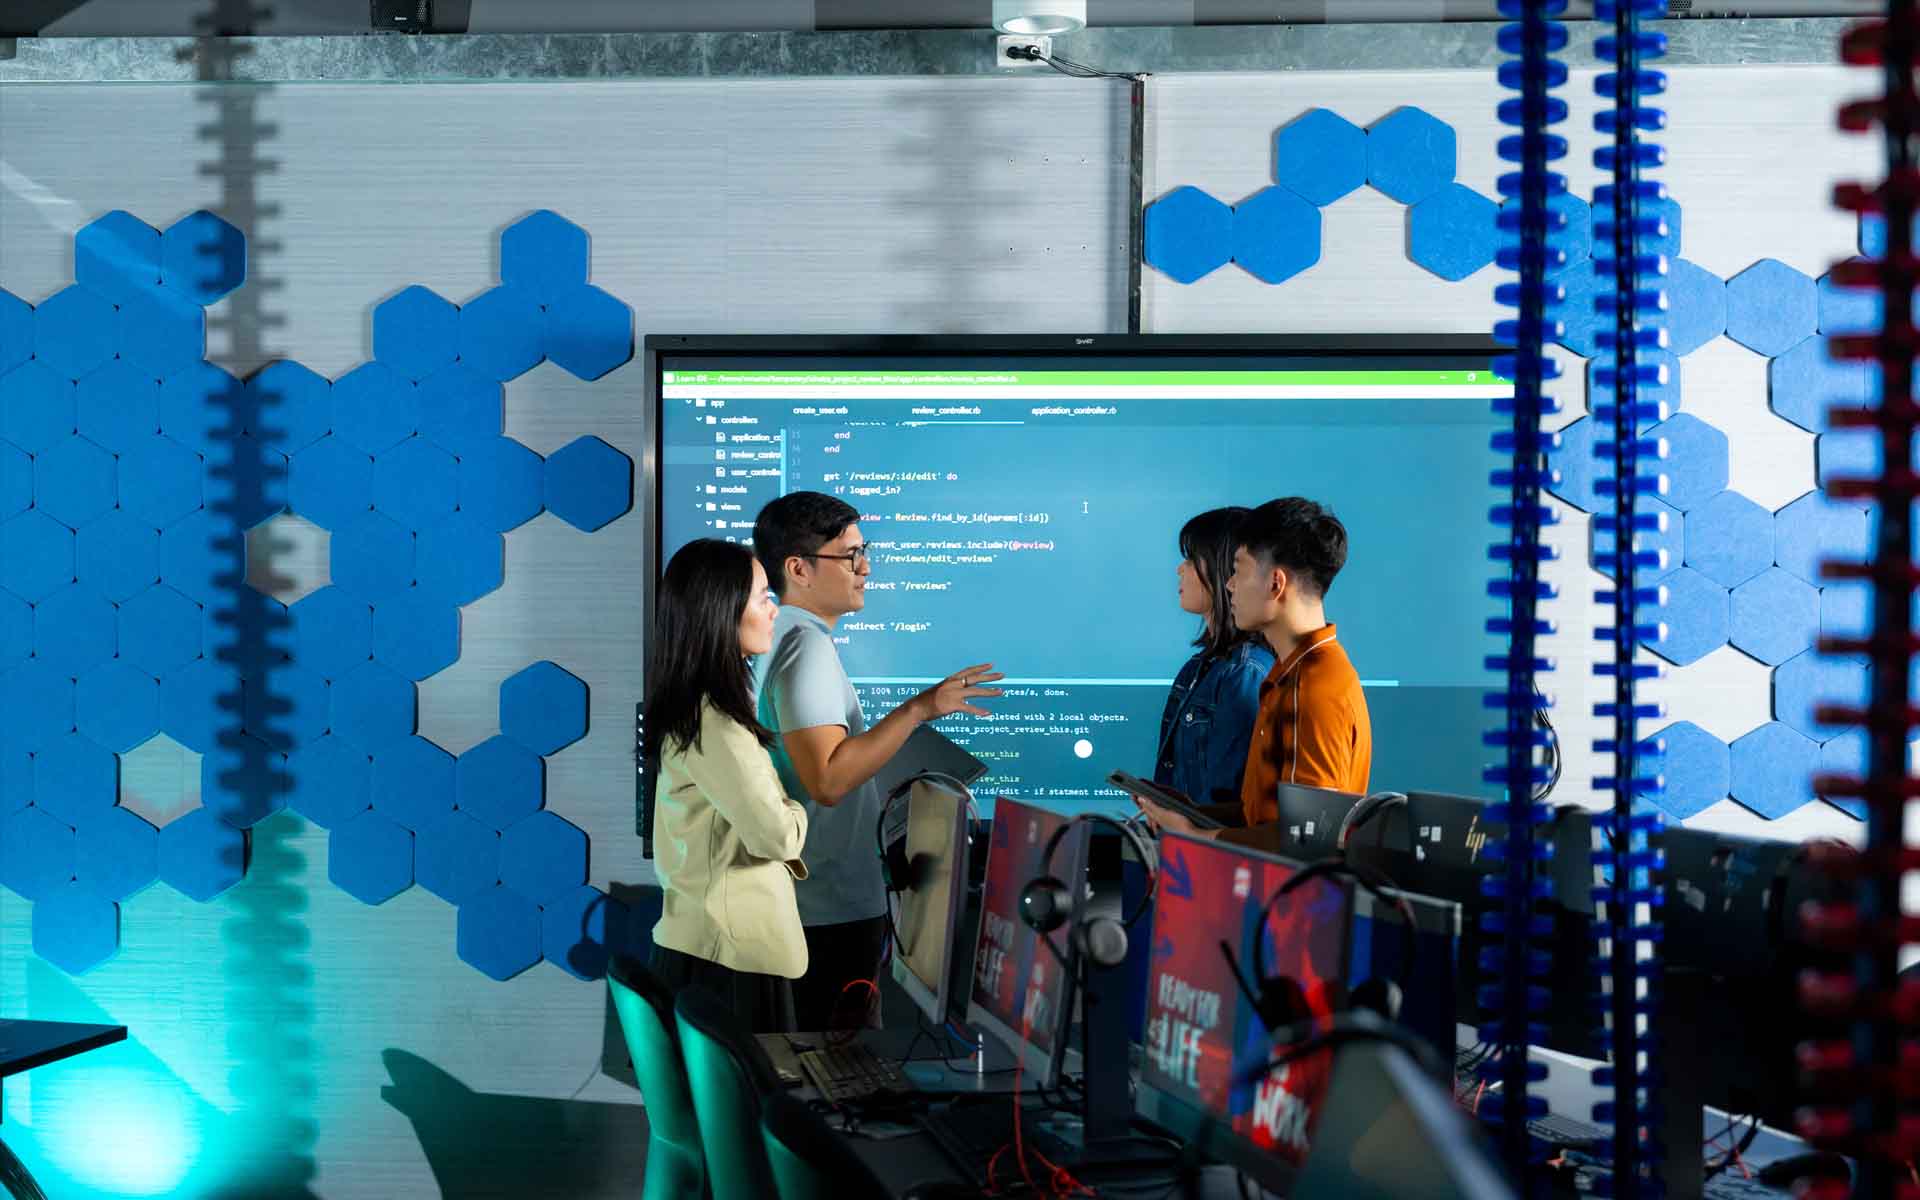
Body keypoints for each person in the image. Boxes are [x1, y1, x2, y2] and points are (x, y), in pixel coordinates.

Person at [751, 492, 1003, 1031]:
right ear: (798, 568)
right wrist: (920, 709)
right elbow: (828, 778)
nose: (865, 567)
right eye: (849, 556)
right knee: (840, 1083)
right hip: (828, 912)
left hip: (810, 903)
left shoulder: (776, 637)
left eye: (866, 551)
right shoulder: (804, 646)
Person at [1137, 497, 1372, 849]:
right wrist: (1193, 813)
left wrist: (1197, 836)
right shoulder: (1287, 673)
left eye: (1239, 571)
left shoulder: (1314, 687)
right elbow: (1260, 816)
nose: (1229, 585)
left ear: (1275, 584)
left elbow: (1307, 841)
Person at [646, 538, 809, 1033]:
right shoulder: (716, 722)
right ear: (723, 612)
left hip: (706, 943)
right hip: (732, 958)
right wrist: (797, 808)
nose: (774, 608)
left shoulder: (692, 707)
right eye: (762, 596)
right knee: (747, 1108)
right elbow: (776, 836)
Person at [1154, 507, 1277, 807]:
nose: (1179, 569)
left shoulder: (1244, 674)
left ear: (1225, 569)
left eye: (1192, 559)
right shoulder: (1196, 669)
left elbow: (1227, 804)